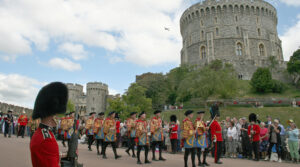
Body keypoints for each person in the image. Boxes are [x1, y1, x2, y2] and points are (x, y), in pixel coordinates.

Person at [30, 82, 68, 167]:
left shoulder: (41, 133)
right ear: (53, 115)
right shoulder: (47, 140)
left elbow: (49, 156)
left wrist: (66, 154)